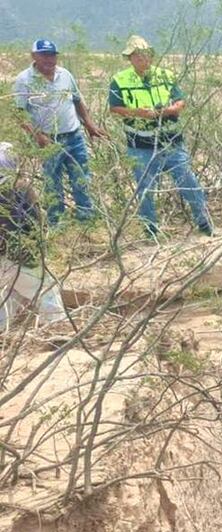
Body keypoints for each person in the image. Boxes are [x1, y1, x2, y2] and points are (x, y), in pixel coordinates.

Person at [108, 35, 214, 238]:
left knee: (188, 181)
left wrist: (170, 110)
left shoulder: (166, 75)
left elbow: (180, 101)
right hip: (140, 145)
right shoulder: (119, 80)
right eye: (137, 56)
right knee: (145, 189)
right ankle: (151, 231)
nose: (142, 59)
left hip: (171, 142)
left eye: (145, 55)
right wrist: (137, 112)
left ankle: (204, 222)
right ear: (130, 58)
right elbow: (114, 107)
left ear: (151, 56)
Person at [13, 39, 108, 226]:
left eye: (52, 55)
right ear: (34, 56)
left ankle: (86, 218)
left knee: (82, 177)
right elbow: (19, 113)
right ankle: (57, 222)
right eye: (44, 55)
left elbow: (77, 100)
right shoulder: (24, 80)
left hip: (74, 135)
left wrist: (89, 124)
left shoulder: (65, 75)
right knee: (52, 182)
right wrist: (37, 136)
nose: (49, 60)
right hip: (48, 140)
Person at [0, 142, 66, 331]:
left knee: (8, 292)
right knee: (46, 288)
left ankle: (2, 330)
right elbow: (35, 222)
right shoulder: (20, 188)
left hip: (4, 258)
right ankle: (56, 328)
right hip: (19, 255)